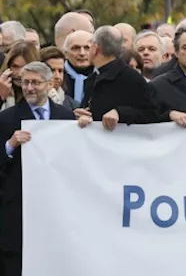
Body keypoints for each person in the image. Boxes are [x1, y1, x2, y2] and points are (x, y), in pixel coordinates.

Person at [0, 61, 75, 276]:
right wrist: (10, 145)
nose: (30, 88)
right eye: (25, 82)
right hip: (18, 215)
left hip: (55, 213)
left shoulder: (65, 117)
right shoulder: (6, 119)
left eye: (35, 83)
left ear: (49, 83)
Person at [75, 26, 164, 129]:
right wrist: (81, 114)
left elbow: (152, 114)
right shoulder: (93, 77)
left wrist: (120, 112)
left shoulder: (130, 78)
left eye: (88, 47)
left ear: (95, 48)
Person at [0, 42, 40, 110]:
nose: (19, 74)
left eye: (25, 67)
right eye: (15, 66)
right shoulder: (2, 88)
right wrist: (1, 96)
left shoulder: (45, 92)